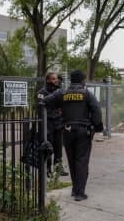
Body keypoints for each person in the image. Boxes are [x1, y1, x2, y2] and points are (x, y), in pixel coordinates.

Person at [43, 69, 103, 201]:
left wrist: (54, 112)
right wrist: (96, 126)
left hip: (67, 130)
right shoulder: (87, 94)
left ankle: (75, 189)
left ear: (71, 80)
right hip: (83, 131)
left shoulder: (62, 93)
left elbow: (44, 102)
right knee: (81, 161)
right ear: (82, 81)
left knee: (72, 160)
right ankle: (79, 193)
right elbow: (96, 111)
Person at [37, 72, 69, 177]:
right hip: (48, 123)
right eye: (53, 79)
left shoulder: (59, 90)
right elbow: (39, 106)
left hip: (59, 123)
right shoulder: (42, 92)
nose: (56, 81)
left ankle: (58, 169)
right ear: (47, 80)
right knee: (48, 147)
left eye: (56, 79)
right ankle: (47, 169)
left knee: (58, 147)